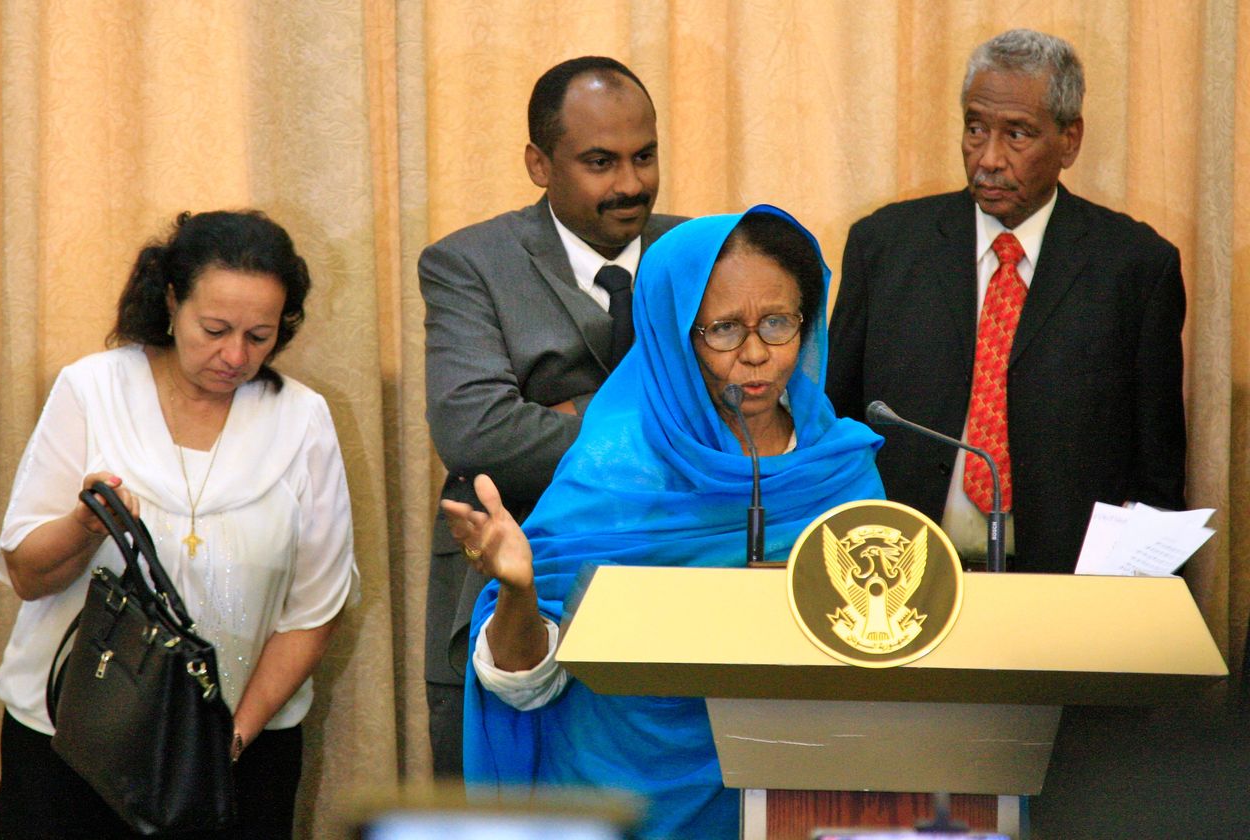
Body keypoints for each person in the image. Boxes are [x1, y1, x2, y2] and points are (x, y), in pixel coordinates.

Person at [442, 206, 884, 839]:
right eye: (724, 329)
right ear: (674, 335)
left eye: (779, 323)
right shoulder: (613, 468)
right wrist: (519, 591)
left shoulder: (841, 468)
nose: (756, 354)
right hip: (621, 797)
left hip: (799, 794)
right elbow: (523, 687)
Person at [0, 210, 359, 839]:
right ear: (170, 301)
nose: (235, 355)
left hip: (240, 753)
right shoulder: (93, 390)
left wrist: (229, 741)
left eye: (260, 335)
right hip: (71, 744)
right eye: (214, 329)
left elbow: (313, 611)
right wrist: (85, 522)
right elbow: (27, 574)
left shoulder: (303, 419)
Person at [826, 29, 1186, 573]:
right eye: (975, 129)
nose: (988, 158)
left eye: (1017, 135)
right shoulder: (884, 248)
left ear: (1069, 140)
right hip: (899, 576)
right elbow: (835, 424)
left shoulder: (1135, 268)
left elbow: (1155, 472)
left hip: (1067, 589)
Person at [419, 55, 685, 777]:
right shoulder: (466, 263)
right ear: (539, 163)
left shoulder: (703, 254)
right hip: (506, 597)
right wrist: (655, 423)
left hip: (674, 597)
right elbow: (477, 433)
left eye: (645, 156)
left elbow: (746, 421)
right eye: (601, 161)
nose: (630, 183)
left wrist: (564, 411)